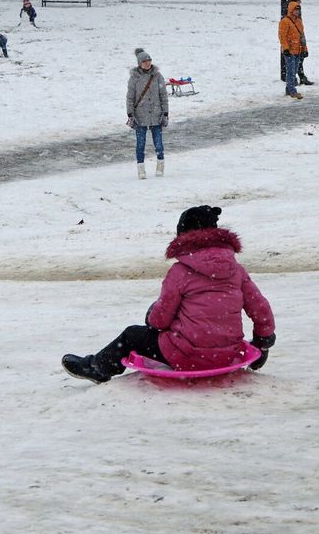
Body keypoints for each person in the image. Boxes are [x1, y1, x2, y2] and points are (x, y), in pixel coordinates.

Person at [61, 205, 276, 384]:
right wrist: (262, 343)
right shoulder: (236, 270)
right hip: (228, 355)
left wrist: (152, 315)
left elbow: (160, 319)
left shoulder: (180, 271)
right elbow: (261, 309)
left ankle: (97, 367)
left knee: (131, 335)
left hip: (188, 356)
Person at [126, 47, 169, 179]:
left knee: (159, 143)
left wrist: (165, 112)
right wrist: (130, 114)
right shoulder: (134, 78)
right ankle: (141, 169)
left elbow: (163, 95)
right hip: (140, 116)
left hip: (156, 115)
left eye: (149, 60)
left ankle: (160, 166)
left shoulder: (157, 76)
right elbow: (130, 97)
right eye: (145, 61)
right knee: (140, 144)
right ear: (139, 63)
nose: (147, 63)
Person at [278, 0, 306, 99]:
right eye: (296, 9)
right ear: (291, 10)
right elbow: (282, 37)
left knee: (293, 71)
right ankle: (292, 91)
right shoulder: (285, 21)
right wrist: (285, 48)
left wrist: (304, 49)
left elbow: (302, 36)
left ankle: (289, 90)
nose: (297, 12)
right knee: (291, 72)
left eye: (298, 10)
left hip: (297, 49)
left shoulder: (298, 21)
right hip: (289, 50)